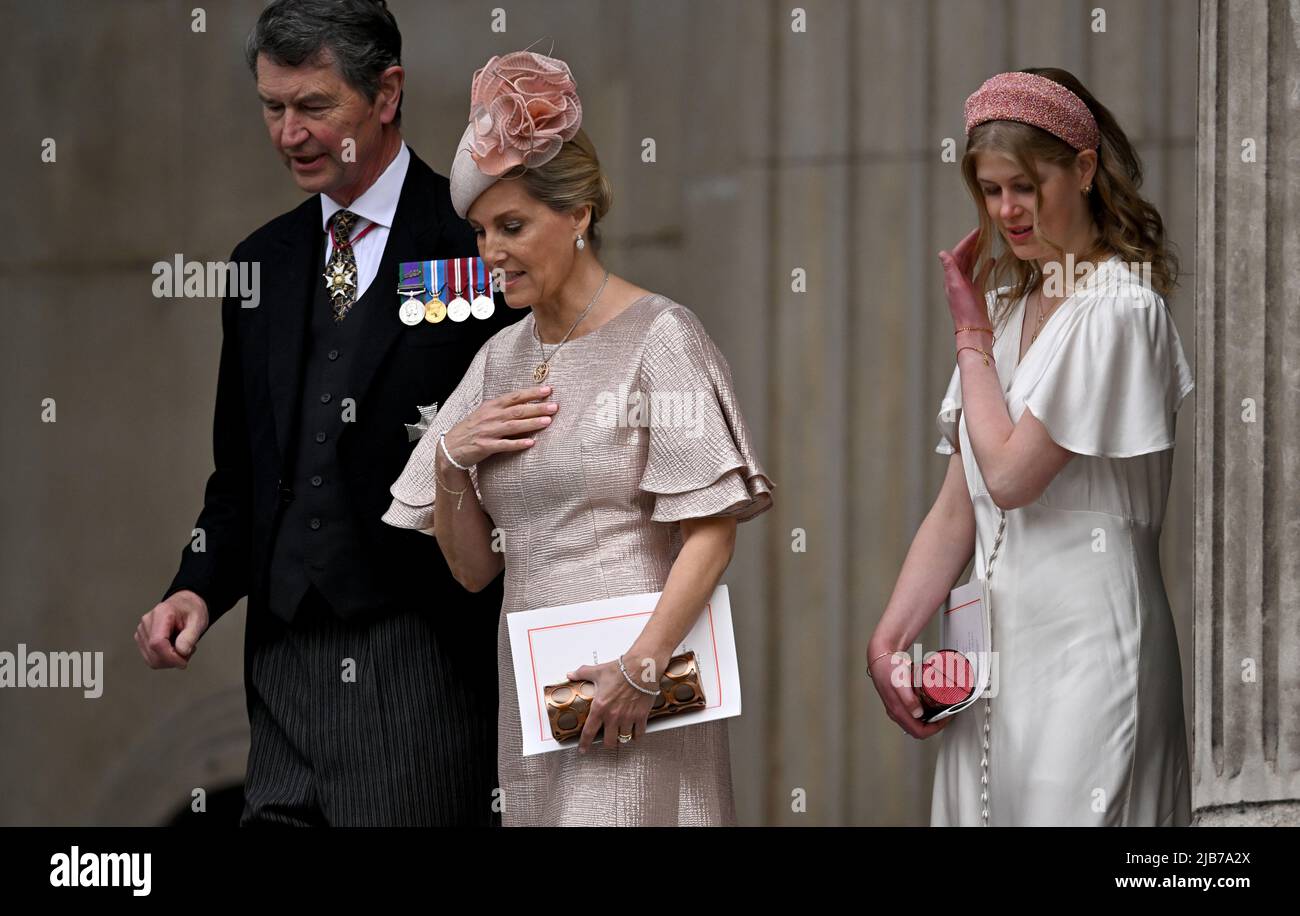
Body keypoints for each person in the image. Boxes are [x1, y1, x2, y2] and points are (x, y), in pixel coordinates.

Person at [134, 0, 520, 825]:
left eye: (314, 107)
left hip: (420, 659)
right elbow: (242, 472)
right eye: (272, 108)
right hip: (279, 662)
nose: (288, 133)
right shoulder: (259, 264)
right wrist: (196, 589)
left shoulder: (477, 244)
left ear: (386, 92)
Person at [382, 49, 774, 826]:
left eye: (514, 226)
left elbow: (710, 535)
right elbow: (469, 571)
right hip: (537, 695)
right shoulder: (498, 358)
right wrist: (456, 457)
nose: (491, 252)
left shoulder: (661, 335)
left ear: (580, 215)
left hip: (639, 678)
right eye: (481, 230)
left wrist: (641, 667)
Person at [868, 68, 1193, 826]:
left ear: (1082, 170)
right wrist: (890, 639)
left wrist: (969, 337)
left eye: (1025, 185)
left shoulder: (1120, 309)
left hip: (1092, 641)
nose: (1007, 210)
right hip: (990, 656)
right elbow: (961, 505)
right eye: (990, 191)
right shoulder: (1008, 310)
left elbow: (1012, 477)